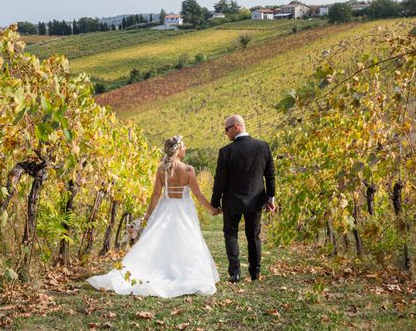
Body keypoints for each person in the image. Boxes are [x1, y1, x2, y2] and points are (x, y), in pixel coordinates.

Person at [87, 135, 220, 297]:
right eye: (183, 146)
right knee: (187, 239)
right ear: (178, 150)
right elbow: (198, 195)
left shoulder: (161, 169)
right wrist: (212, 210)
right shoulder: (188, 170)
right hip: (184, 210)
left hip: (165, 208)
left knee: (160, 239)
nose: (185, 149)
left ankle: (162, 269)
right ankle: (180, 272)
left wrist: (148, 216)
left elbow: (156, 194)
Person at [211, 115, 276, 283]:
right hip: (255, 200)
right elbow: (270, 175)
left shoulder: (226, 152)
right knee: (253, 236)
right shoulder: (263, 147)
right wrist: (271, 197)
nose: (225, 133)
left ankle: (235, 273)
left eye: (226, 129)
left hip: (232, 201)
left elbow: (220, 180)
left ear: (236, 127)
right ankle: (255, 273)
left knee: (230, 234)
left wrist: (215, 202)